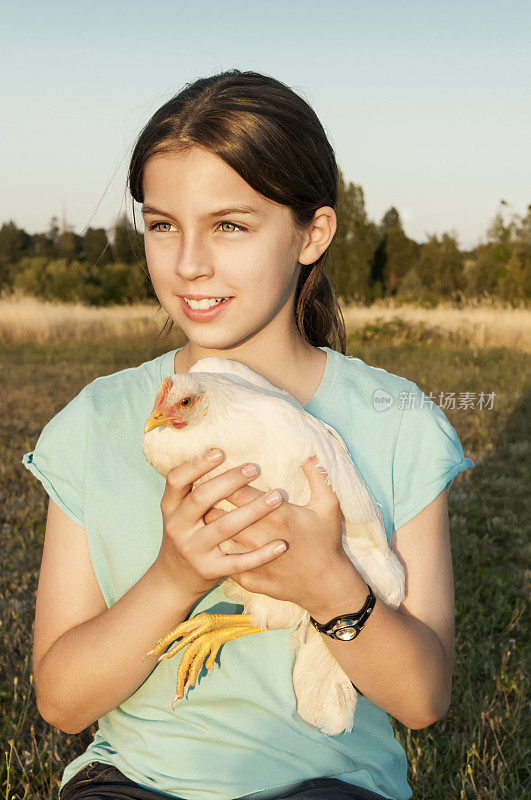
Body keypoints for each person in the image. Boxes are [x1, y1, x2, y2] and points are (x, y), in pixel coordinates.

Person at [22, 69, 475, 800]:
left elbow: (422, 699)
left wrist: (330, 584)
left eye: (229, 225)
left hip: (331, 783)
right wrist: (177, 574)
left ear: (311, 233)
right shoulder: (97, 422)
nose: (188, 262)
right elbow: (62, 702)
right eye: (162, 224)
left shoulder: (398, 421)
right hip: (134, 781)